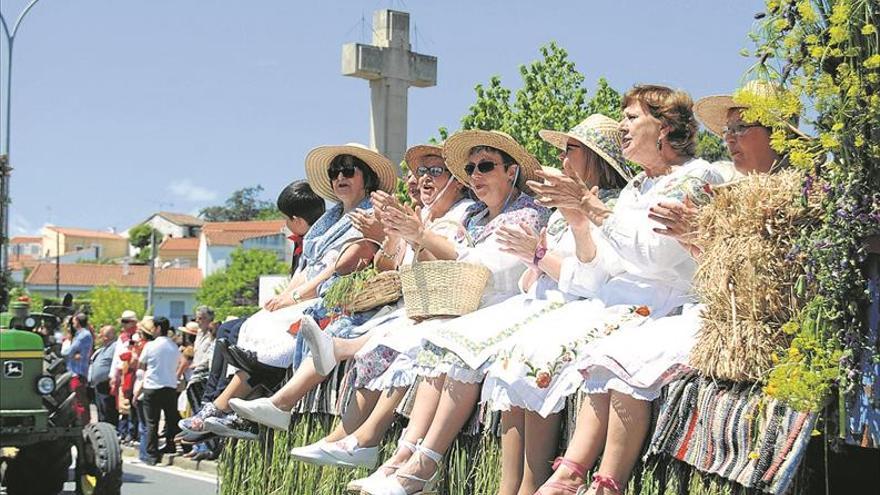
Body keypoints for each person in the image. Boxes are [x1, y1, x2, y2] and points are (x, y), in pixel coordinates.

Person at [532, 81, 796, 495]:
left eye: (632, 117)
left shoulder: (706, 179)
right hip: (627, 301)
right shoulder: (641, 188)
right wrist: (581, 218)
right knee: (560, 354)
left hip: (680, 306)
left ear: (664, 128)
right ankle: (566, 474)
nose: (728, 139)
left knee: (616, 357)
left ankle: (603, 482)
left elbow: (662, 259)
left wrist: (591, 209)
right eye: (726, 131)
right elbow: (605, 267)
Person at [228, 142, 474, 449]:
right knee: (249, 329)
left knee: (370, 339)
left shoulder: (461, 215)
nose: (423, 178)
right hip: (404, 302)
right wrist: (387, 237)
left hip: (428, 307)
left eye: (435, 171)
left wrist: (397, 235)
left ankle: (355, 438)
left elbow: (445, 267)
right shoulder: (417, 216)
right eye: (421, 171)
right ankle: (319, 426)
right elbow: (390, 264)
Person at [354, 130, 552, 495]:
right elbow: (438, 266)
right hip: (466, 308)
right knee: (434, 340)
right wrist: (415, 238)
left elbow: (484, 270)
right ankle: (403, 457)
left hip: (507, 305)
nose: (475, 175)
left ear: (511, 172)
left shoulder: (529, 211)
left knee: (452, 344)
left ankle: (424, 460)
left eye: (486, 166)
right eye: (471, 168)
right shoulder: (474, 215)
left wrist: (421, 235)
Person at [180, 145, 396, 436]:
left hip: (339, 297)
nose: (340, 177)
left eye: (348, 170)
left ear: (366, 177)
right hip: (314, 290)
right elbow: (306, 268)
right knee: (254, 325)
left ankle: (222, 407)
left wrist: (296, 296)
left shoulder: (371, 213)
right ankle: (226, 408)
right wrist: (285, 296)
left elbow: (344, 264)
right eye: (335, 172)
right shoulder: (328, 220)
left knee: (275, 332)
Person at [135, 316, 182, 465]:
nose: (152, 331)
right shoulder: (174, 346)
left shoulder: (150, 346)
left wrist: (138, 387)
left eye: (153, 327)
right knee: (170, 419)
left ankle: (151, 455)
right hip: (170, 386)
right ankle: (170, 444)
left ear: (158, 328)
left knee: (152, 422)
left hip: (152, 386)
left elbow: (141, 366)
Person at [110, 309, 140, 440]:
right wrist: (113, 375)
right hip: (122, 372)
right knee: (122, 404)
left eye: (126, 322)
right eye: (123, 322)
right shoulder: (122, 338)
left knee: (131, 403)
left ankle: (131, 431)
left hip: (132, 372)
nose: (123, 325)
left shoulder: (137, 337)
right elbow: (116, 357)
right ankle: (124, 431)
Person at [61, 312, 94, 425]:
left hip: (78, 372)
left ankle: (84, 423)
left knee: (79, 400)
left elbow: (69, 351)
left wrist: (65, 352)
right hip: (74, 371)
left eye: (74, 321)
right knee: (76, 400)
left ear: (78, 322)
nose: (73, 323)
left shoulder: (83, 335)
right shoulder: (80, 334)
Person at [89, 325, 119, 426]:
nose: (99, 337)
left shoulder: (115, 347)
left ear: (106, 337)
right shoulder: (103, 349)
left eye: (100, 335)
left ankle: (111, 432)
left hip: (107, 385)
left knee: (108, 412)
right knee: (101, 411)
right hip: (98, 385)